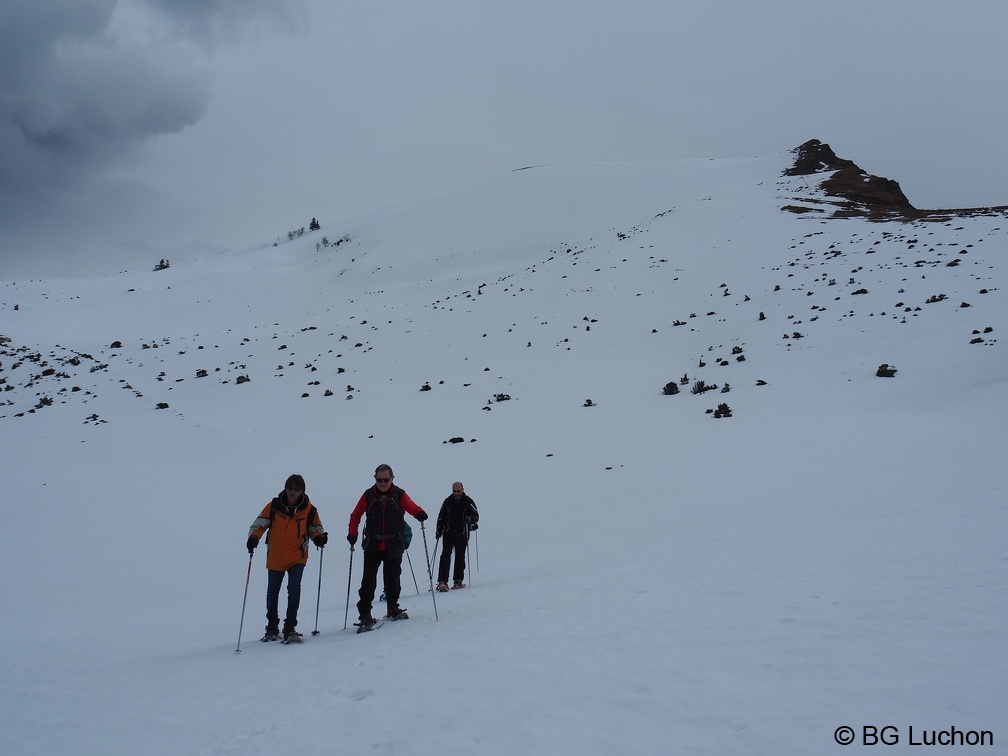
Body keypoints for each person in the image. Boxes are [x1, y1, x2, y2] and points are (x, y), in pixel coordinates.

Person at [247, 474, 327, 642]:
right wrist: (254, 537)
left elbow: (315, 528)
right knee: (273, 592)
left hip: (297, 557)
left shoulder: (309, 510)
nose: (292, 491)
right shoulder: (274, 506)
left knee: (293, 588)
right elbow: (259, 524)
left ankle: (290, 626)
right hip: (275, 556)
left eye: (296, 489)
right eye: (290, 488)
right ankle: (272, 626)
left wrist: (319, 537)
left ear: (302, 491)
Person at [347, 464, 428, 631]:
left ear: (392, 479)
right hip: (373, 545)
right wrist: (352, 533)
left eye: (386, 479)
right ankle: (365, 614)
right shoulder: (368, 495)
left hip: (393, 544)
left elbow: (412, 507)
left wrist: (419, 513)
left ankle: (392, 607)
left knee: (393, 580)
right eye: (379, 479)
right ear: (375, 478)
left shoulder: (399, 495)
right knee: (368, 582)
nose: (382, 483)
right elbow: (356, 515)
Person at [435, 481, 479, 591]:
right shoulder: (447, 501)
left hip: (462, 534)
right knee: (445, 556)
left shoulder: (468, 502)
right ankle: (442, 582)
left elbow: (476, 515)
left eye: (458, 491)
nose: (456, 493)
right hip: (448, 533)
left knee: (460, 557)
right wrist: (438, 530)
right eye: (454, 491)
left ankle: (458, 581)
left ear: (462, 490)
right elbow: (441, 516)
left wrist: (471, 520)